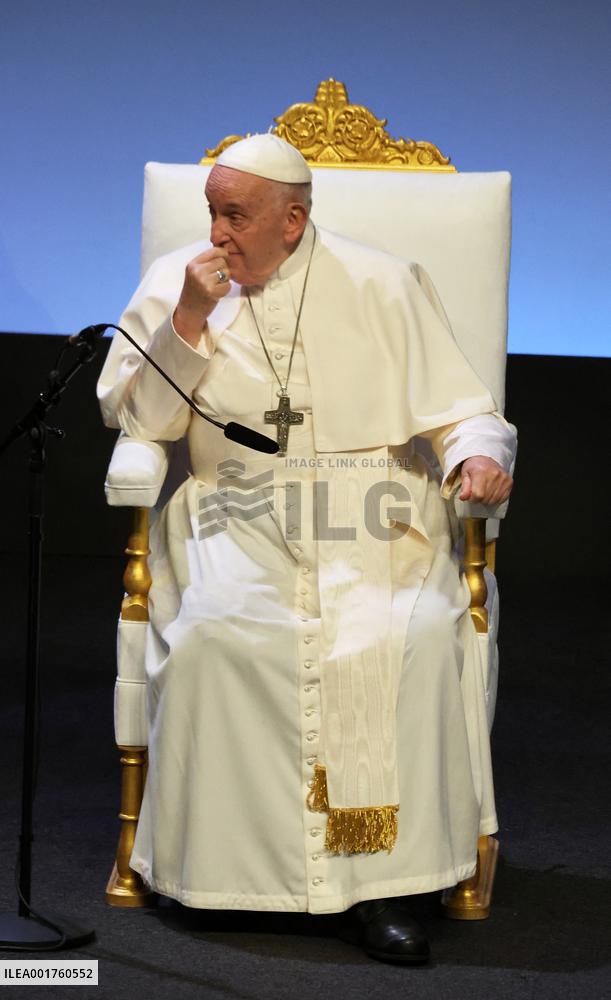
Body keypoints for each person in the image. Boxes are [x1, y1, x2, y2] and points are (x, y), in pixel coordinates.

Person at [98, 134, 516, 965]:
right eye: (212, 212)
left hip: (370, 514)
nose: (217, 233)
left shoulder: (382, 282)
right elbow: (144, 424)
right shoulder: (181, 286)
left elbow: (463, 408)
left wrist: (477, 453)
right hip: (235, 512)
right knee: (221, 638)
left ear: (292, 220)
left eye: (236, 216)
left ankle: (386, 889)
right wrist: (185, 321)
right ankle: (227, 874)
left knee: (404, 641)